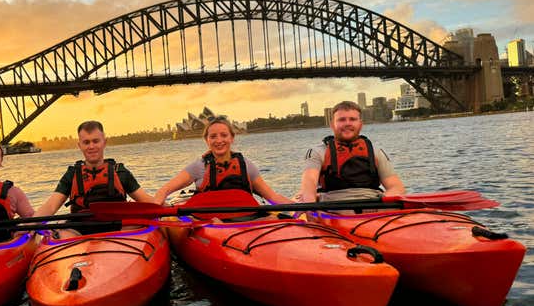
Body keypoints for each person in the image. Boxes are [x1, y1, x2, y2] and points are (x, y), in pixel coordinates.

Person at [34, 121, 155, 231]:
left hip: (117, 227)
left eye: (95, 141)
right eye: (86, 142)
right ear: (80, 145)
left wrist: (166, 207)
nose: (91, 146)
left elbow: (147, 201)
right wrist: (26, 227)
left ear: (104, 142)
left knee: (141, 224)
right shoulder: (72, 174)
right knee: (61, 234)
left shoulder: (120, 172)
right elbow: (51, 206)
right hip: (80, 229)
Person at [154, 117, 291, 206]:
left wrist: (299, 209)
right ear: (207, 141)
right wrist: (158, 202)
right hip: (212, 223)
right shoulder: (199, 166)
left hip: (247, 221)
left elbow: (272, 196)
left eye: (224, 135)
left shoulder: (246, 165)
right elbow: (165, 190)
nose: (219, 141)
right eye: (213, 136)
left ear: (232, 138)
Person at [296, 101, 405, 206]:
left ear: (360, 124)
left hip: (374, 204)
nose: (347, 123)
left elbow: (397, 187)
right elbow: (308, 187)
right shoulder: (318, 152)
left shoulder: (376, 152)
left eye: (352, 119)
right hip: (333, 206)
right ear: (333, 125)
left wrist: (378, 202)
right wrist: (310, 205)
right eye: (342, 120)